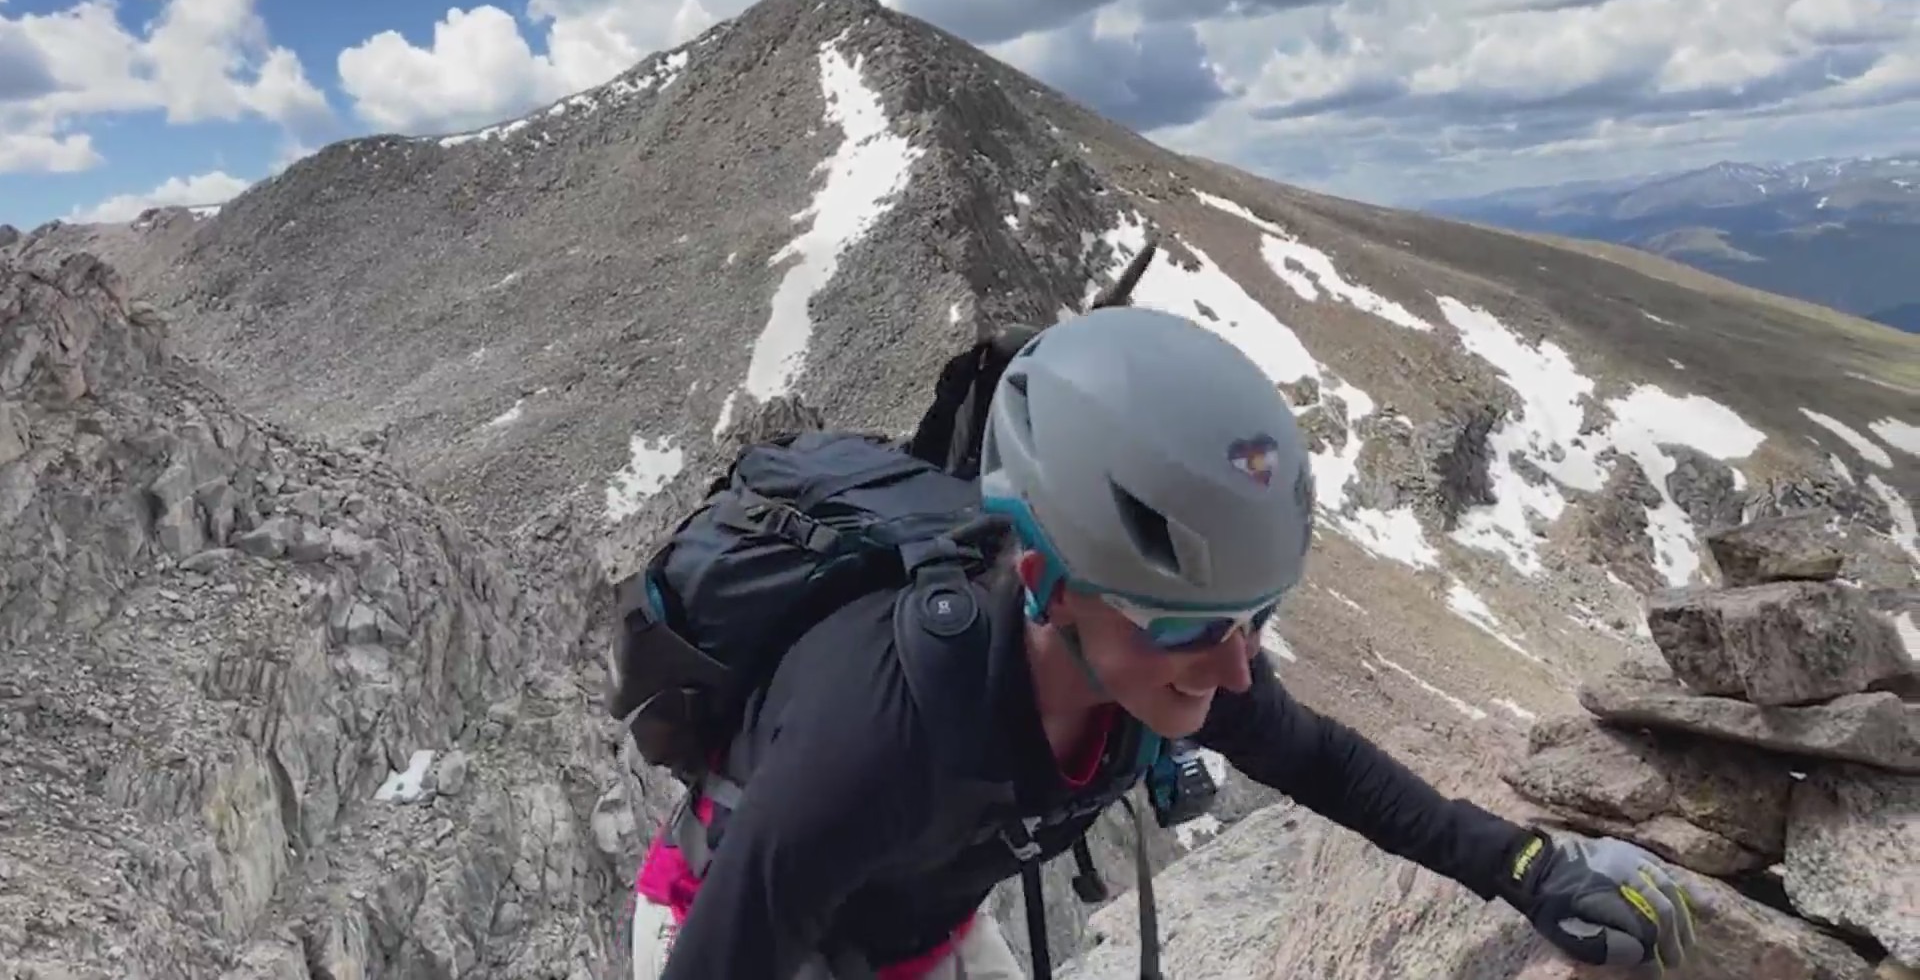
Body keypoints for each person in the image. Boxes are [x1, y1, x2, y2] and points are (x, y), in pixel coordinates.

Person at [630, 305, 1699, 980]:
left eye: (1255, 620)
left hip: (921, 930)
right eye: (1191, 626)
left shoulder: (1166, 651)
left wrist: (1526, 869)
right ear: (1044, 581)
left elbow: (1324, 763)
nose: (1237, 670)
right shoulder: (872, 734)